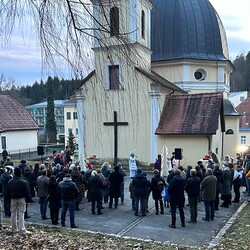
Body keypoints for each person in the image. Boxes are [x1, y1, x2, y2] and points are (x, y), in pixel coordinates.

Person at [7, 167, 31, 234]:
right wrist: (28, 200)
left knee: (13, 214)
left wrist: (9, 199)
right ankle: (22, 229)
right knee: (21, 213)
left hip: (12, 199)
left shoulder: (10, 182)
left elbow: (7, 192)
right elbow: (27, 192)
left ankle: (13, 229)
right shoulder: (23, 182)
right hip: (21, 198)